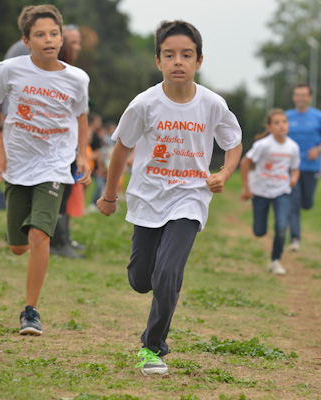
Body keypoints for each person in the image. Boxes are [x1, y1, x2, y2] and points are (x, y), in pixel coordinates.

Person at [97, 20, 242, 375]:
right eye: (170, 55)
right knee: (141, 279)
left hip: (190, 199)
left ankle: (153, 348)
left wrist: (223, 172)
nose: (178, 61)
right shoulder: (144, 104)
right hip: (147, 199)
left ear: (199, 61)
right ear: (158, 60)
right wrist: (110, 195)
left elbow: (234, 142)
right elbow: (121, 149)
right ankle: (151, 292)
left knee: (168, 272)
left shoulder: (212, 104)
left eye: (186, 55)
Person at [0, 4, 91, 335]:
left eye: (54, 33)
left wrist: (80, 155)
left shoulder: (77, 78)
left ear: (61, 38)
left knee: (40, 234)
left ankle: (30, 311)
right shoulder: (8, 69)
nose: (49, 40)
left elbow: (81, 116)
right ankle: (21, 241)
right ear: (26, 41)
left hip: (54, 165)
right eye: (40, 35)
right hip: (17, 162)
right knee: (18, 245)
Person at [240, 109, 300, 275]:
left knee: (281, 226)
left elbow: (295, 169)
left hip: (282, 190)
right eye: (277, 123)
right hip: (260, 191)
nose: (282, 126)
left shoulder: (293, 147)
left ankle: (275, 261)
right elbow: (245, 163)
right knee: (260, 231)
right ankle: (260, 227)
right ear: (269, 127)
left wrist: (293, 178)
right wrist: (246, 188)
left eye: (284, 122)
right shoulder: (263, 145)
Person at [50, 23, 85, 258]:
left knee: (67, 193)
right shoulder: (55, 75)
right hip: (56, 146)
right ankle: (56, 242)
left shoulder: (76, 75)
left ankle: (63, 238)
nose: (78, 47)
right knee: (57, 195)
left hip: (70, 146)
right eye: (73, 42)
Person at [285, 83, 321, 252]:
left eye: (304, 95)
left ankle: (304, 209)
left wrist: (319, 149)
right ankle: (295, 238)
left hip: (311, 167)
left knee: (307, 203)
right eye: (297, 95)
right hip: (291, 168)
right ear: (293, 97)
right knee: (294, 204)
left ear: (309, 98)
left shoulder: (320, 117)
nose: (300, 98)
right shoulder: (286, 116)